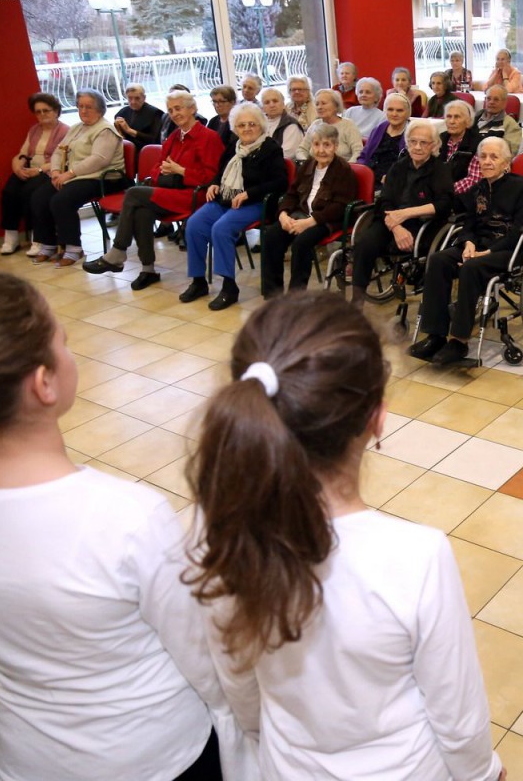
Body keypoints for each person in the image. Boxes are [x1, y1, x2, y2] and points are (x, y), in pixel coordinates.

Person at [0, 271, 254, 781]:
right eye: (63, 342)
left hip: (27, 755)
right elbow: (200, 656)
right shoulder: (127, 516)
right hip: (154, 755)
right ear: (44, 383)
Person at [185, 292, 504, 781]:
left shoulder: (221, 538)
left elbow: (240, 688)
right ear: (377, 418)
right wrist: (483, 774)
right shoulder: (418, 557)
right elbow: (457, 715)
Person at [410, 137, 523, 364]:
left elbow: (521, 230)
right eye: (483, 157)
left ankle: (459, 341)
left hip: (509, 249)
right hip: (477, 245)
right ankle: (435, 335)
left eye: (494, 157)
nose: (487, 161)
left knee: (470, 267)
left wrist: (488, 252)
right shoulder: (479, 188)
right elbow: (468, 221)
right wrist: (468, 242)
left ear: (506, 162)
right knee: (438, 260)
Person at [82, 89, 223, 290]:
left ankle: (118, 251)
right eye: (170, 110)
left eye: (178, 108)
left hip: (195, 195)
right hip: (170, 191)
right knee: (141, 211)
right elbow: (155, 169)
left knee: (133, 193)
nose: (174, 114)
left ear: (192, 109)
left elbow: (212, 177)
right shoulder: (174, 136)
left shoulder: (209, 137)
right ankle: (148, 270)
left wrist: (181, 171)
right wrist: (164, 171)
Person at [180, 102, 287, 310]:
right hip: (226, 199)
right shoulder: (234, 147)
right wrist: (214, 184)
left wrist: (249, 193)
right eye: (241, 125)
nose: (247, 129)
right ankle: (198, 281)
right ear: (235, 128)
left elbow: (280, 182)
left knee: (221, 228)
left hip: (255, 203)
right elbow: (220, 172)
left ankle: (229, 287)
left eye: (252, 124)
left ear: (261, 125)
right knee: (194, 224)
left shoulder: (270, 148)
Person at [351, 122, 453, 305]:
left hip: (422, 224)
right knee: (364, 243)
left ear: (433, 145)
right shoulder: (398, 167)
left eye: (423, 142)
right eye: (413, 141)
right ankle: (357, 300)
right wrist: (396, 227)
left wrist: (406, 213)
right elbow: (384, 200)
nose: (417, 147)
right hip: (391, 222)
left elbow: (444, 204)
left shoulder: (440, 170)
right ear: (407, 143)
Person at [26, 89, 127, 267]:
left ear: (100, 109)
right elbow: (59, 152)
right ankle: (49, 244)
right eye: (80, 106)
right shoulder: (76, 128)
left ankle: (74, 248)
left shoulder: (105, 129)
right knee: (39, 197)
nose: (83, 111)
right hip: (77, 176)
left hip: (103, 179)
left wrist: (69, 173)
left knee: (62, 200)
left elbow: (99, 160)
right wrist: (55, 171)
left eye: (88, 107)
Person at [260, 122, 358, 298]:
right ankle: (272, 294)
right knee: (272, 236)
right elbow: (291, 194)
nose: (321, 150)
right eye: (317, 144)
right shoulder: (307, 165)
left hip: (327, 220)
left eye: (327, 145)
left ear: (336, 146)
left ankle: (296, 297)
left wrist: (310, 222)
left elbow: (340, 206)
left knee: (301, 243)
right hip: (301, 214)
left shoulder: (343, 170)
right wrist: (283, 214)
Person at [0, 92, 68, 255]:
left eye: (46, 110)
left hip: (49, 171)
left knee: (28, 193)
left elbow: (64, 159)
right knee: (9, 192)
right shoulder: (34, 130)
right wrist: (17, 167)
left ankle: (38, 239)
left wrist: (39, 170)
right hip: (30, 169)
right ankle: (11, 237)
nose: (42, 114)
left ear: (56, 111)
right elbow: (23, 153)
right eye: (38, 112)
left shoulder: (65, 131)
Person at [295, 88, 363, 163]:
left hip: (341, 167)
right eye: (317, 104)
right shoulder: (315, 124)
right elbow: (301, 150)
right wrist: (305, 163)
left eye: (323, 103)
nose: (319, 107)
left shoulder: (348, 125)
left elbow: (358, 152)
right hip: (315, 167)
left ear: (336, 106)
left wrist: (347, 167)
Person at [358, 92, 411, 182]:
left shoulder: (413, 132)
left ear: (407, 113)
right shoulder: (378, 129)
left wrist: (394, 177)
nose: (394, 114)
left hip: (396, 181)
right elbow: (363, 156)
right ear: (385, 111)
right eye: (390, 109)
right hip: (369, 177)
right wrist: (362, 171)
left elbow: (413, 164)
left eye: (399, 110)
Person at [440, 99, 482, 194]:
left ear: (468, 121)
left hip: (462, 196)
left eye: (457, 117)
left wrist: (446, 191)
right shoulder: (439, 139)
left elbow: (474, 179)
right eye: (449, 116)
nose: (452, 121)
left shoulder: (478, 144)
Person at [112, 83, 164, 153]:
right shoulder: (122, 112)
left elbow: (154, 139)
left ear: (144, 98)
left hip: (147, 151)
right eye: (130, 98)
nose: (133, 102)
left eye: (137, 98)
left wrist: (129, 130)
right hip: (127, 151)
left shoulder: (155, 113)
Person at [474, 85, 523, 154]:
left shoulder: (511, 125)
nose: (491, 102)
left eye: (496, 99)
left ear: (504, 103)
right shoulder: (473, 118)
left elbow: (509, 153)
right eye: (488, 98)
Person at [260, 87, 303, 160]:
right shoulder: (259, 124)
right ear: (262, 108)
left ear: (283, 104)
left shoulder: (291, 125)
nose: (272, 105)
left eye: (275, 101)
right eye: (267, 102)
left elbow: (287, 154)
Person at [206, 85, 238, 150]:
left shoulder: (238, 121)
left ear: (233, 102)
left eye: (221, 101)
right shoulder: (213, 121)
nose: (217, 105)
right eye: (214, 101)